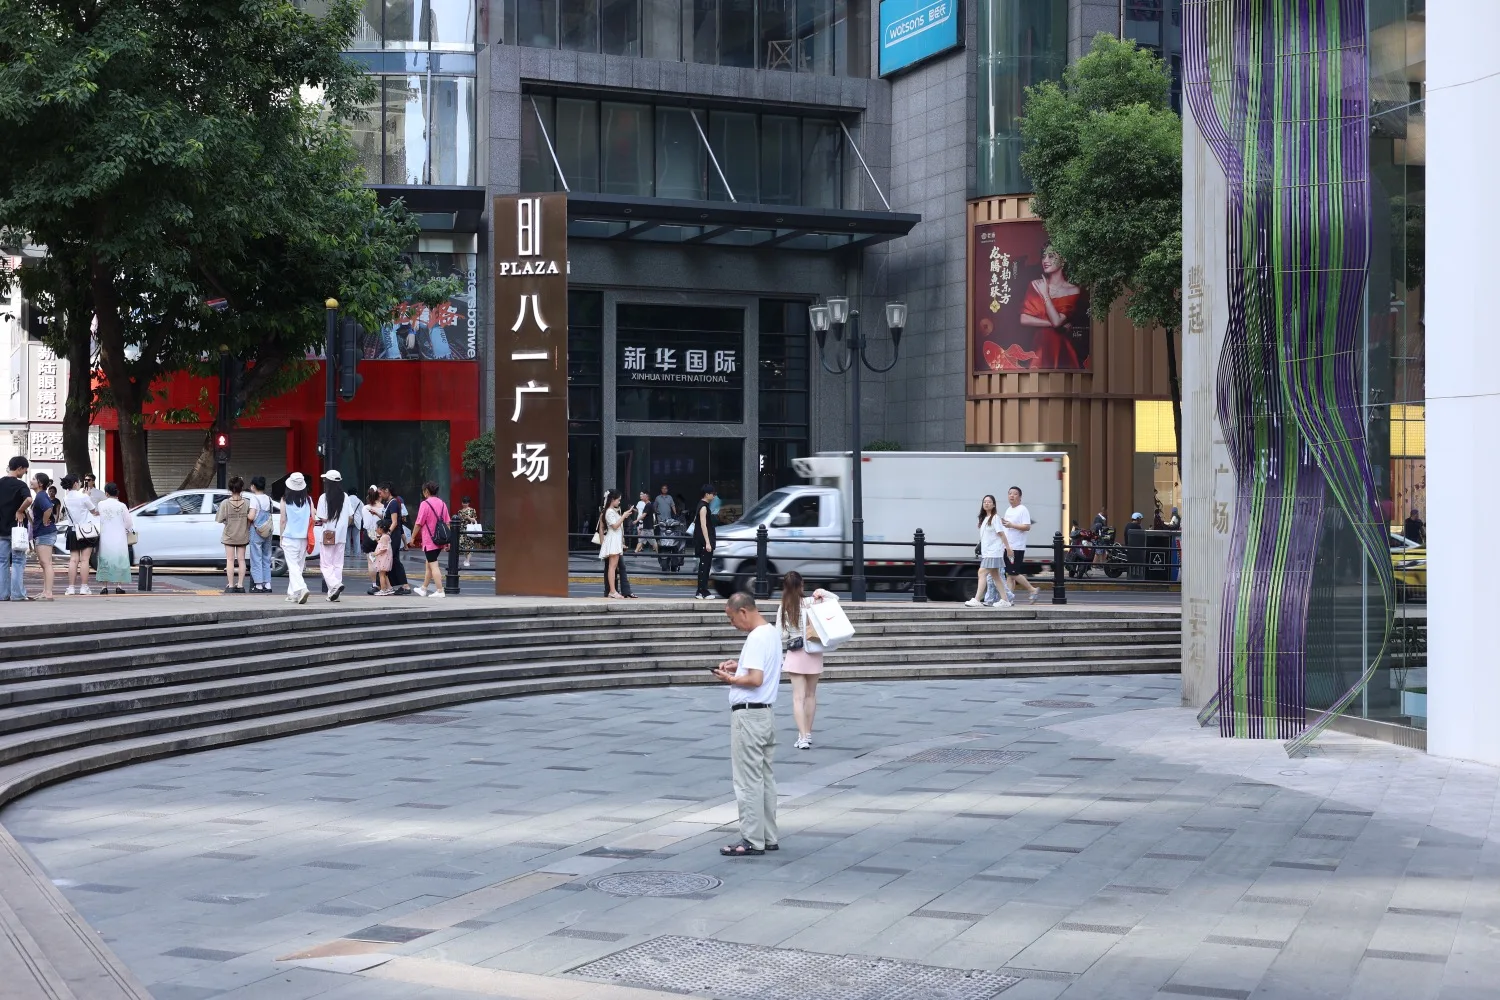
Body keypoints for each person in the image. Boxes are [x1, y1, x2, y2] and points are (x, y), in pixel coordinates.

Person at [712, 592, 782, 857]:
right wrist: (739, 665)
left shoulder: (755, 637)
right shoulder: (771, 632)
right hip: (765, 714)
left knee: (747, 780)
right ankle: (768, 836)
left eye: (732, 619)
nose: (732, 624)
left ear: (743, 612)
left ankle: (752, 839)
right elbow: (760, 670)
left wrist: (730, 679)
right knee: (765, 778)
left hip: (749, 716)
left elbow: (755, 679)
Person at [776, 571, 837, 751]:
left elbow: (781, 634)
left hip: (796, 653)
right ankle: (808, 734)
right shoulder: (811, 602)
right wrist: (822, 592)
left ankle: (802, 737)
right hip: (814, 651)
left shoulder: (784, 606)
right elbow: (835, 601)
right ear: (801, 585)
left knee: (798, 697)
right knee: (811, 695)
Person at [1019, 245, 1086, 369]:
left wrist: (1045, 294)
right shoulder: (1035, 284)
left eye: (1051, 256)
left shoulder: (1073, 290)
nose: (1045, 261)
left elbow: (1057, 321)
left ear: (1063, 259)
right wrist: (1056, 325)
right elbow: (1024, 319)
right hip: (1039, 346)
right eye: (1043, 256)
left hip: (1060, 348)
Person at [316, 470, 360, 602]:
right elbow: (350, 516)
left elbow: (322, 518)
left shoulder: (323, 497)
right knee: (337, 564)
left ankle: (335, 585)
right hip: (341, 535)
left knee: (325, 564)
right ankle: (333, 594)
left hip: (328, 534)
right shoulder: (345, 496)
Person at [967, 494, 1012, 609]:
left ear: (994, 504)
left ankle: (977, 599)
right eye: (984, 502)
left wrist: (1008, 548)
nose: (986, 503)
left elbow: (1002, 534)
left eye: (989, 502)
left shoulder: (995, 518)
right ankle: (1005, 600)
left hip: (993, 552)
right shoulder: (985, 519)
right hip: (988, 552)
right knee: (996, 576)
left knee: (981, 573)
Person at [60, 474, 98, 596]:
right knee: (85, 559)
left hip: (72, 530)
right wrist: (87, 496)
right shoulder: (84, 497)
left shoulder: (65, 498)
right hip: (86, 530)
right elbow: (94, 511)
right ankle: (84, 587)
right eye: (80, 482)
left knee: (73, 559)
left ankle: (71, 588)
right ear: (75, 483)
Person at [1001, 486, 1040, 603]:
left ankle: (1032, 589)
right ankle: (1009, 599)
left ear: (1020, 497)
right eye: (1010, 493)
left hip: (1017, 547)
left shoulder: (1023, 509)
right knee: (1009, 574)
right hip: (1008, 546)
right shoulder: (1008, 510)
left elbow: (1027, 526)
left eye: (1015, 494)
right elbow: (1007, 526)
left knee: (1013, 573)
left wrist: (1011, 525)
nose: (1011, 496)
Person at [214, 476, 253, 593]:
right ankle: (240, 585)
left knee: (230, 560)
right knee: (241, 560)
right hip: (243, 534)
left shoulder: (225, 503)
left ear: (230, 489)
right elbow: (251, 518)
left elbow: (220, 519)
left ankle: (230, 585)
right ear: (241, 488)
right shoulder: (247, 503)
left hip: (229, 535)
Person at [279, 472, 314, 604]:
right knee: (298, 566)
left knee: (293, 566)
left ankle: (302, 588)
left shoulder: (284, 499)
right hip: (304, 538)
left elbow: (283, 520)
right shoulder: (308, 500)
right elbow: (313, 517)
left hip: (290, 536)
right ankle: (293, 594)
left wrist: (281, 536)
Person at [0, 456, 31, 602]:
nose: (25, 473)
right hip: (17, 530)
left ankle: (2, 594)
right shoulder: (21, 485)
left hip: (1, 530)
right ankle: (17, 594)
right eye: (25, 470)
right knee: (18, 561)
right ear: (19, 468)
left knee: (2, 562)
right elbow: (29, 500)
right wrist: (20, 511)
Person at [412, 480, 451, 599]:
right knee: (429, 564)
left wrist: (412, 537)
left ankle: (440, 590)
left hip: (430, 540)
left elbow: (419, 523)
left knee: (433, 565)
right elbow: (447, 523)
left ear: (426, 491)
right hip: (440, 539)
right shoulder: (443, 504)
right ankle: (424, 588)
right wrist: (448, 541)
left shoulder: (425, 504)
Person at [95, 483, 133, 594]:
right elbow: (129, 522)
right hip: (119, 536)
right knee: (119, 560)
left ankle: (104, 586)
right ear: (117, 493)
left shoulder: (101, 504)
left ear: (106, 493)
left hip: (105, 536)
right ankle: (118, 586)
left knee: (105, 559)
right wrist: (127, 529)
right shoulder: (122, 506)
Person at [378, 483, 412, 595]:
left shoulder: (393, 503)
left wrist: (387, 534)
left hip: (393, 535)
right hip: (391, 535)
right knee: (391, 559)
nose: (380, 495)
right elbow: (387, 519)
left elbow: (394, 522)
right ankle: (388, 585)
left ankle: (404, 586)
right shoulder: (388, 503)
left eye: (381, 492)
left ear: (387, 490)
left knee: (393, 559)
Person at [29, 472, 57, 601]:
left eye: (34, 479)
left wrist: (45, 521)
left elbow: (48, 509)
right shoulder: (40, 496)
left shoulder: (41, 496)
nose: (31, 480)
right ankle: (46, 591)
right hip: (43, 532)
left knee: (46, 563)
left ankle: (48, 593)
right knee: (45, 563)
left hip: (45, 533)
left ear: (40, 483)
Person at [247, 476, 275, 593]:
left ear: (254, 486)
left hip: (257, 531)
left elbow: (252, 516)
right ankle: (267, 584)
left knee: (256, 557)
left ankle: (258, 584)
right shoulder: (268, 498)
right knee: (266, 557)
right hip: (267, 531)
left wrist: (246, 516)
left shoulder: (254, 499)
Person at [597, 490, 626, 599]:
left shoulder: (611, 511)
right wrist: (623, 516)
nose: (619, 502)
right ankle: (612, 591)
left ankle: (612, 591)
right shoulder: (609, 511)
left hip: (615, 539)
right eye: (618, 500)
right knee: (612, 567)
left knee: (613, 567)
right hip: (612, 539)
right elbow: (614, 526)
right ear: (613, 500)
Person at [693, 483, 718, 600]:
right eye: (712, 494)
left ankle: (702, 591)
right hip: (704, 542)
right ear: (707, 494)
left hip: (703, 541)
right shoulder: (703, 507)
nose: (713, 496)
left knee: (705, 566)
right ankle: (702, 591)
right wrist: (707, 542)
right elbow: (704, 525)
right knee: (704, 566)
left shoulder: (702, 505)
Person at [361, 486, 385, 593]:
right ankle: (382, 583)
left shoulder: (365, 508)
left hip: (368, 535)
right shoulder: (383, 507)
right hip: (380, 535)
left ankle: (374, 584)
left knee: (371, 561)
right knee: (382, 560)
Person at [371, 522, 394, 595]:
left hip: (383, 558)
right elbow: (382, 544)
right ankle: (389, 588)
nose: (376, 529)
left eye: (377, 528)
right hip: (384, 558)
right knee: (384, 574)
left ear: (381, 529)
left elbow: (384, 549)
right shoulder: (385, 536)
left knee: (381, 575)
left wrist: (375, 553)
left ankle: (383, 589)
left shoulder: (384, 537)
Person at [455, 496, 478, 568]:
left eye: (466, 503)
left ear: (468, 503)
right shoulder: (460, 511)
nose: (464, 504)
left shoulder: (472, 510)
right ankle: (466, 558)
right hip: (462, 530)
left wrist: (469, 518)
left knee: (469, 545)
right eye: (463, 502)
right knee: (461, 544)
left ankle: (467, 560)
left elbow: (474, 520)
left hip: (469, 529)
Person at [653, 484, 677, 553]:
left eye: (665, 488)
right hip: (660, 518)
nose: (664, 489)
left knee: (669, 532)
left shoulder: (670, 497)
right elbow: (654, 506)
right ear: (661, 489)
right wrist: (656, 511)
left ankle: (668, 545)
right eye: (663, 488)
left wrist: (675, 514)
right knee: (661, 532)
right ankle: (662, 546)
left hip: (668, 519)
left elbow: (673, 506)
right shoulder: (658, 498)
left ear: (667, 490)